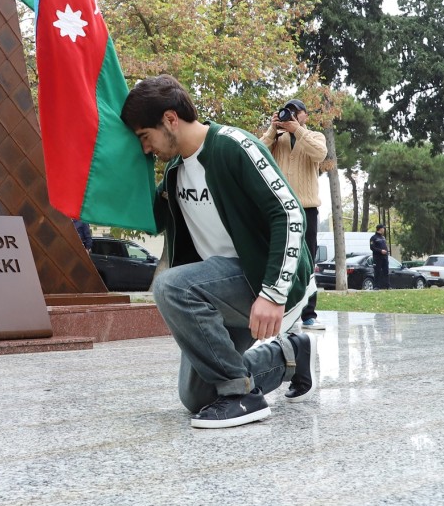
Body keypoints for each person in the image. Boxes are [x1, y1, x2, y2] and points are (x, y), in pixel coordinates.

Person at [120, 74, 317, 430]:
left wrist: (274, 292)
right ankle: (290, 355)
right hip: (218, 291)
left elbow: (289, 212)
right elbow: (149, 218)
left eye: (144, 138)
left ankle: (243, 397)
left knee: (170, 286)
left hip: (265, 279)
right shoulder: (176, 172)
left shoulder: (234, 145)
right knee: (196, 397)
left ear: (169, 119)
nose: (146, 149)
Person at [261, 98, 327, 328]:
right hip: (280, 210)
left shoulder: (314, 136)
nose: (290, 115)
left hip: (307, 208)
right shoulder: (276, 140)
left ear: (304, 116)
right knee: (278, 260)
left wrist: (297, 130)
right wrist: (272, 129)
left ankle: (309, 314)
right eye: (286, 111)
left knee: (307, 260)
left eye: (295, 111)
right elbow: (257, 153)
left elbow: (319, 154)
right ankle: (284, 312)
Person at [370, 224, 390, 289]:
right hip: (377, 258)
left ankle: (386, 286)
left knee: (386, 271)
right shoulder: (373, 238)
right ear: (380, 229)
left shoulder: (383, 237)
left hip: (384, 257)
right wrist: (380, 251)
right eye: (383, 228)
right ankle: (376, 286)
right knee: (377, 272)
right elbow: (372, 248)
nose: (384, 230)